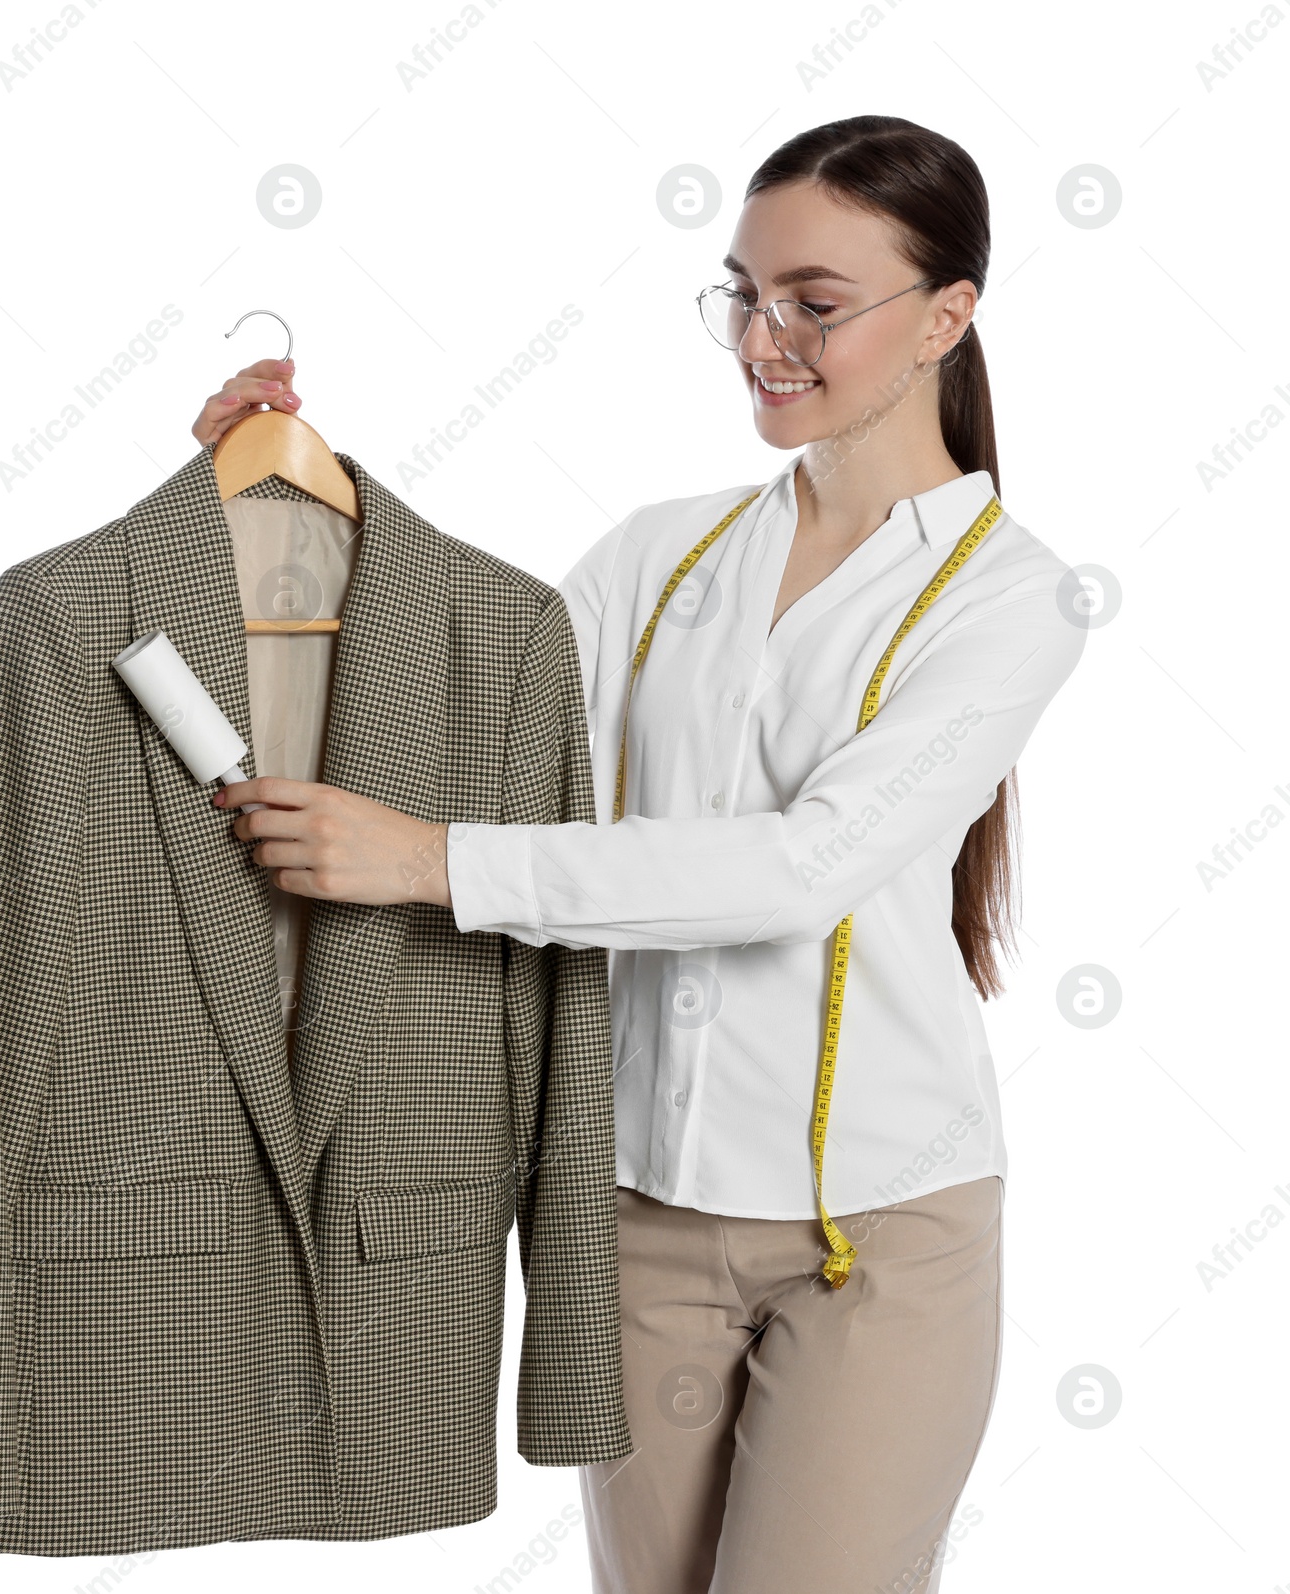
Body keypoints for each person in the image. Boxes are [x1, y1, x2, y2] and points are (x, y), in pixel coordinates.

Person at [193, 114, 1087, 1594]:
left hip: (874, 1238)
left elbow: (802, 864)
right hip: (631, 1219)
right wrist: (275, 502)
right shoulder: (661, 554)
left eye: (814, 300)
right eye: (742, 292)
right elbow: (453, 709)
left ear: (948, 317)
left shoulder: (1013, 597)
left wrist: (433, 866)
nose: (762, 337)